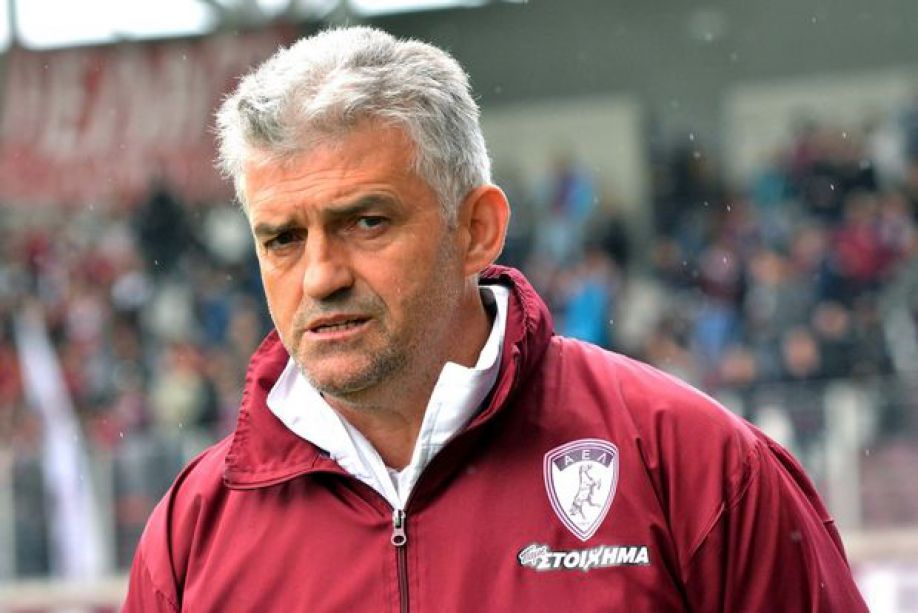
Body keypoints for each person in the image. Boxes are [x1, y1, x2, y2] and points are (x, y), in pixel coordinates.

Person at [123, 27, 868, 611]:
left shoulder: (696, 467)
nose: (320, 275)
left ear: (478, 229)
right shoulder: (192, 536)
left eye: (367, 221)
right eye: (283, 239)